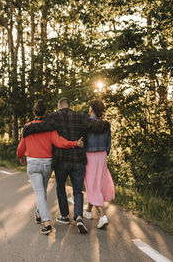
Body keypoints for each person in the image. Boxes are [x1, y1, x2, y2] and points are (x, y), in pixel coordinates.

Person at [23, 97, 110, 234]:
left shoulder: (54, 117)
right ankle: (79, 217)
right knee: (77, 191)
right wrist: (106, 124)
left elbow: (41, 126)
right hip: (78, 160)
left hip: (61, 161)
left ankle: (64, 216)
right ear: (70, 106)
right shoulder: (80, 116)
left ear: (59, 107)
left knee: (61, 188)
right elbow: (94, 125)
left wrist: (27, 129)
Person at [17, 99, 84, 235]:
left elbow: (21, 147)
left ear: (34, 112)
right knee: (42, 191)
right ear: (46, 112)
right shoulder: (49, 127)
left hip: (34, 163)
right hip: (47, 163)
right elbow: (60, 142)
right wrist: (75, 143)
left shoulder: (27, 127)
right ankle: (38, 213)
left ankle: (47, 223)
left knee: (40, 193)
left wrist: (20, 156)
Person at [83, 99, 115, 229]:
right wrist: (104, 153)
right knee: (97, 183)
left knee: (91, 185)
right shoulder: (106, 125)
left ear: (91, 109)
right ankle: (89, 211)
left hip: (90, 155)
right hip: (101, 155)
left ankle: (102, 215)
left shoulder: (86, 123)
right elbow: (109, 144)